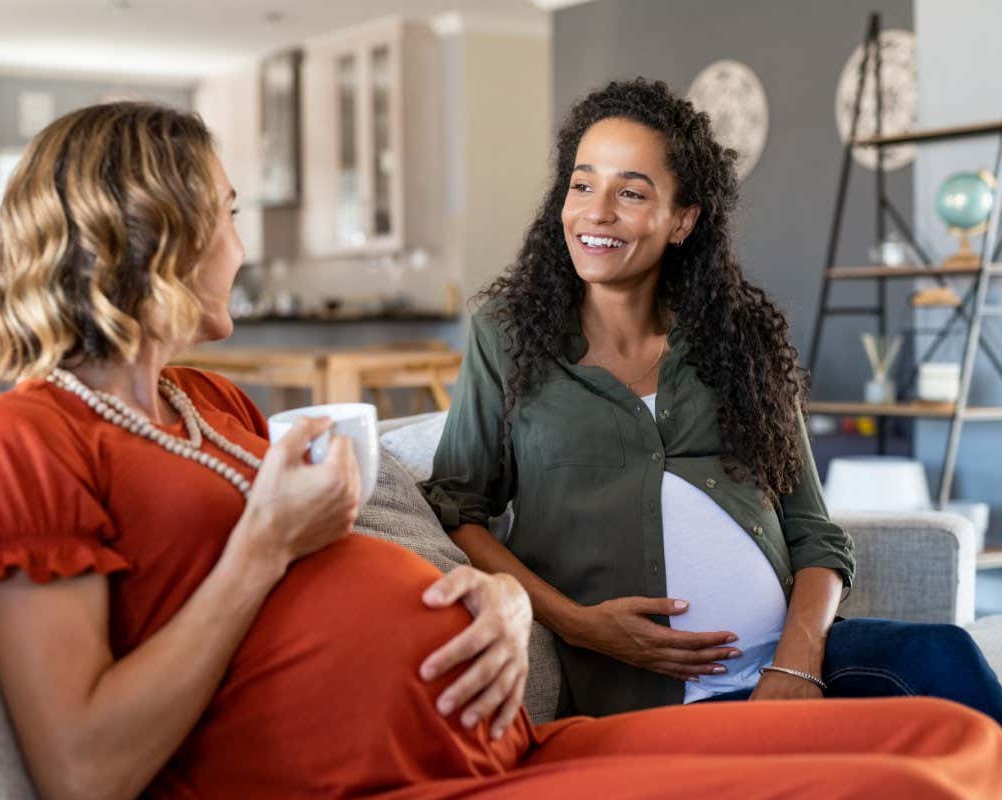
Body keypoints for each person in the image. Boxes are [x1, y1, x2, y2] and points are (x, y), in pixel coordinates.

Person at [0, 100, 1002, 800]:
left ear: (685, 218)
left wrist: (505, 603)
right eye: (225, 213)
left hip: (507, 739)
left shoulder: (209, 403)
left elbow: (375, 564)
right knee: (903, 786)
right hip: (413, 775)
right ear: (156, 232)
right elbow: (83, 770)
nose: (243, 243)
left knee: (955, 742)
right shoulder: (19, 440)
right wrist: (263, 546)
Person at [421, 78, 1002, 722]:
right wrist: (581, 625)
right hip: (649, 700)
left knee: (946, 659)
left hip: (795, 671)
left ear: (683, 220)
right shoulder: (506, 337)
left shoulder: (737, 341)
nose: (596, 211)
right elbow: (458, 510)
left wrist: (797, 661)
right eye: (582, 185)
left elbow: (815, 534)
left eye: (631, 193)